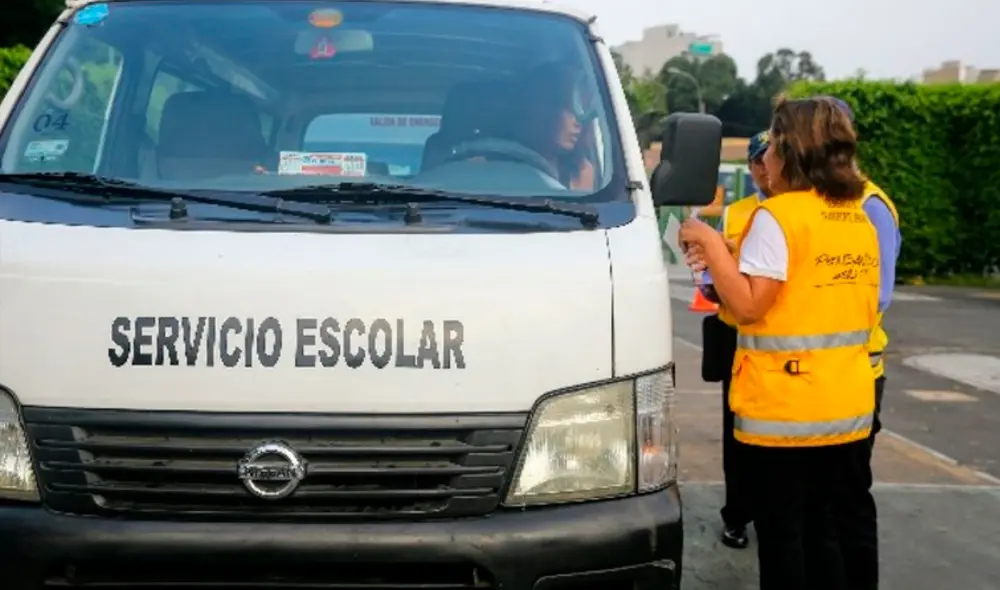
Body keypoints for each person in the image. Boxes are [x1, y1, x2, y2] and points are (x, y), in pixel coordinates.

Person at [679, 96, 880, 590]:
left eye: (771, 143)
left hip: (786, 411)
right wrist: (731, 256)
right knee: (823, 534)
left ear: (790, 152)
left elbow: (750, 306)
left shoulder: (779, 216)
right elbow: (807, 292)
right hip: (846, 407)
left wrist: (707, 244)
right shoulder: (855, 216)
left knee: (784, 536)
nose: (764, 155)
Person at [698, 130, 773, 550]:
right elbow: (718, 272)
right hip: (736, 334)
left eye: (769, 159)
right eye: (757, 160)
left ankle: (770, 510)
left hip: (773, 337)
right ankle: (737, 514)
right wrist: (711, 282)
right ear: (751, 166)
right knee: (736, 429)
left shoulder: (790, 212)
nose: (764, 168)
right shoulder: (738, 213)